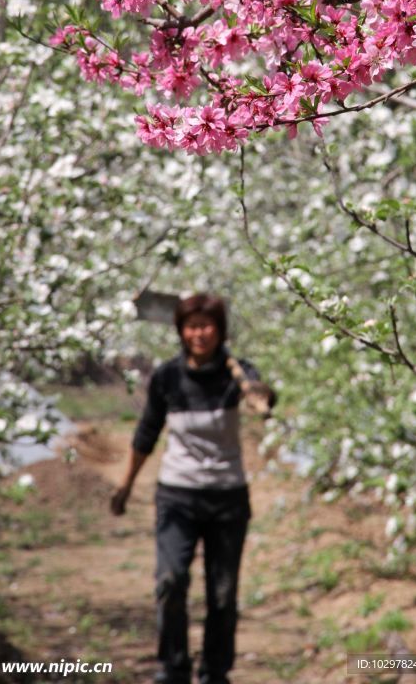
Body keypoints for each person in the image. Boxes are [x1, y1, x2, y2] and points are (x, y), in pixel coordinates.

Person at [110, 293, 275, 684]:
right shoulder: (168, 377)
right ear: (181, 332)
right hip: (177, 496)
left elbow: (261, 394)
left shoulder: (238, 373)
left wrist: (260, 397)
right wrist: (126, 485)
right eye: (191, 326)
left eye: (206, 326)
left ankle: (215, 672)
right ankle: (173, 667)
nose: (198, 334)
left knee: (222, 593)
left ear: (220, 330)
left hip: (227, 498)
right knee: (170, 581)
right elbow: (147, 432)